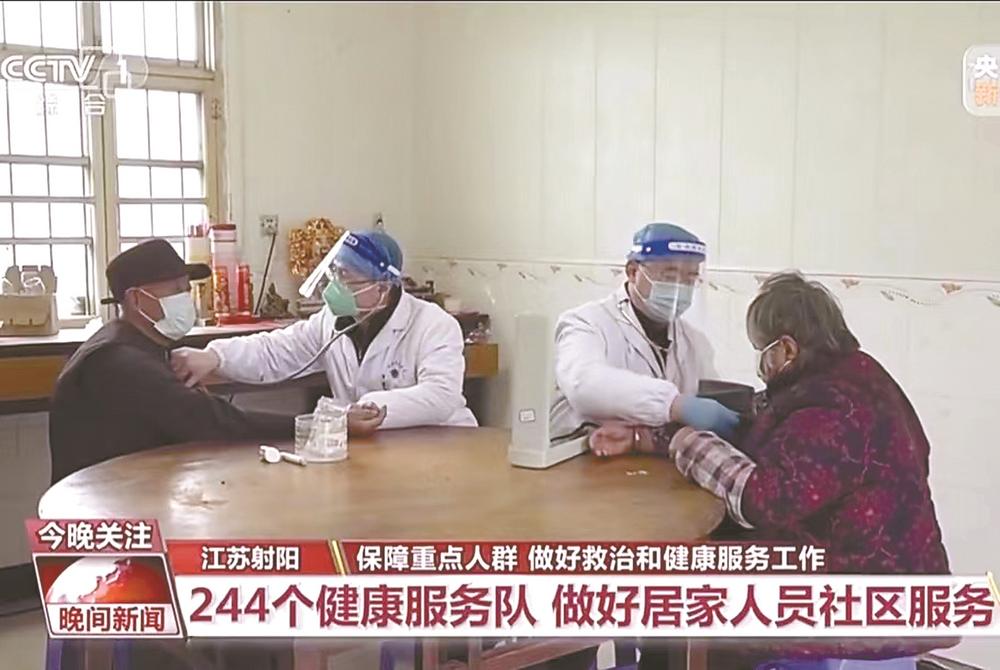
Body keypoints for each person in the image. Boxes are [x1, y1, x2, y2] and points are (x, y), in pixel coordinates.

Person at [599, 271, 956, 668]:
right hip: (889, 574)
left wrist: (687, 442)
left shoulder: (835, 409)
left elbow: (763, 501)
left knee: (701, 595)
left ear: (786, 348)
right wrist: (648, 437)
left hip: (862, 599)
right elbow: (781, 427)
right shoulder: (855, 373)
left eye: (761, 349)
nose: (760, 364)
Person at [171, 229, 478, 432]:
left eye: (346, 277)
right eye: (334, 274)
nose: (335, 286)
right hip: (379, 447)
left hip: (441, 444)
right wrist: (215, 357)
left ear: (383, 287)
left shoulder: (433, 325)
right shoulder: (332, 321)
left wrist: (362, 409)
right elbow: (275, 351)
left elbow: (440, 396)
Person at [48, 239, 294, 484]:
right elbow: (212, 421)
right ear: (136, 299)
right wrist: (302, 426)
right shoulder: (119, 361)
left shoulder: (137, 343)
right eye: (176, 291)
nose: (186, 299)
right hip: (98, 503)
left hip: (130, 487)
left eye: (187, 289)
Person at [550, 222, 739, 453]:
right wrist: (674, 405)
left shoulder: (694, 341)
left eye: (690, 279)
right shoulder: (585, 322)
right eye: (669, 276)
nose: (680, 288)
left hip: (647, 463)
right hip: (576, 458)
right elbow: (583, 384)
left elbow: (710, 403)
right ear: (633, 272)